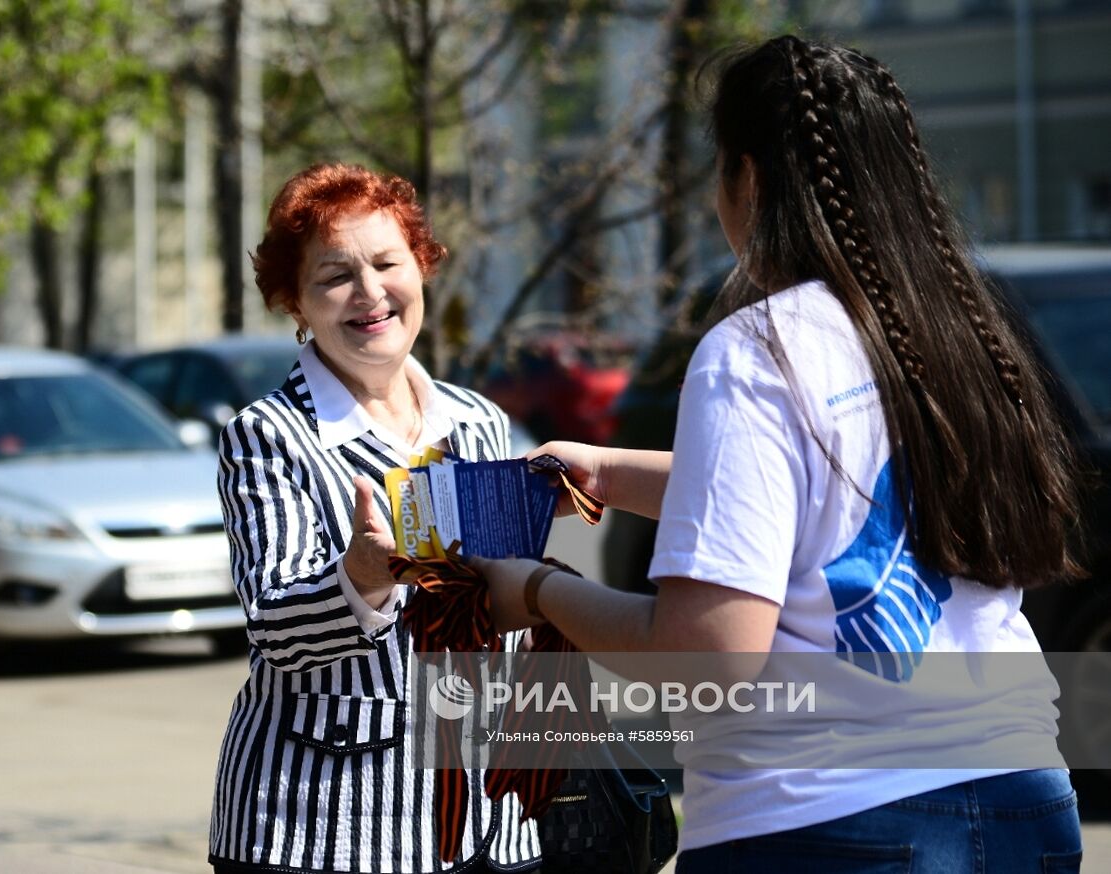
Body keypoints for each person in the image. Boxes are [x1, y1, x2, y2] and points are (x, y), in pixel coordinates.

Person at [472, 35, 1085, 871]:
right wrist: (609, 476)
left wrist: (540, 593)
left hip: (827, 823)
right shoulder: (959, 328)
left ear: (747, 178)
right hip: (1022, 795)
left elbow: (706, 658)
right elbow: (846, 499)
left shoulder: (756, 350)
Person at [209, 163, 540, 874]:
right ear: (294, 303)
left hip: (496, 823)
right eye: (334, 277)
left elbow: (509, 610)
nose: (368, 293)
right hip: (327, 828)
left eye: (387, 263)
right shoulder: (267, 435)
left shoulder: (478, 421)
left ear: (419, 267)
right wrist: (361, 578)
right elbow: (275, 632)